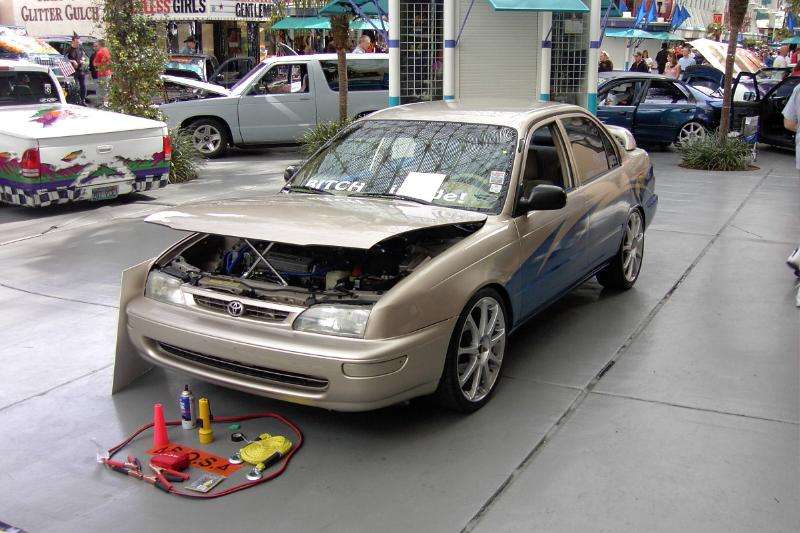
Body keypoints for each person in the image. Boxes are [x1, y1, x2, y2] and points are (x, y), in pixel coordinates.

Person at [66, 33, 86, 106]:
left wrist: (83, 60)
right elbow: (64, 59)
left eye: (78, 42)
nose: (78, 43)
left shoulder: (80, 48)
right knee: (75, 86)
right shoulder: (69, 49)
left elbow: (84, 56)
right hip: (73, 71)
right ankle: (75, 101)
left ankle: (82, 100)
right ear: (73, 41)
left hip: (81, 70)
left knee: (83, 86)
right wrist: (73, 61)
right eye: (76, 42)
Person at [92, 39, 111, 107]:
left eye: (96, 45)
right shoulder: (107, 50)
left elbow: (94, 63)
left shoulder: (99, 52)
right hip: (108, 73)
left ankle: (101, 105)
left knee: (101, 90)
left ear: (99, 45)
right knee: (106, 89)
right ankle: (106, 104)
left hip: (102, 74)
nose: (95, 47)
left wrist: (99, 64)